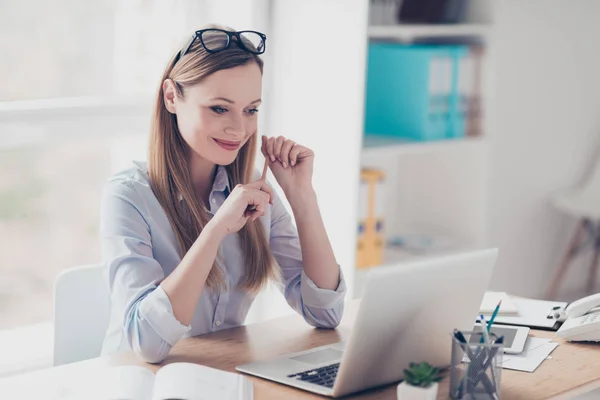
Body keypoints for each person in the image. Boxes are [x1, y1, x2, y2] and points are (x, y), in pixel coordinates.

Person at [99, 25, 346, 363]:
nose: (239, 128)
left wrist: (302, 197)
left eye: (251, 110)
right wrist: (216, 230)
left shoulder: (255, 195)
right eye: (219, 108)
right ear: (172, 97)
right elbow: (148, 344)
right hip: (137, 383)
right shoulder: (128, 196)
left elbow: (325, 314)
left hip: (219, 376)